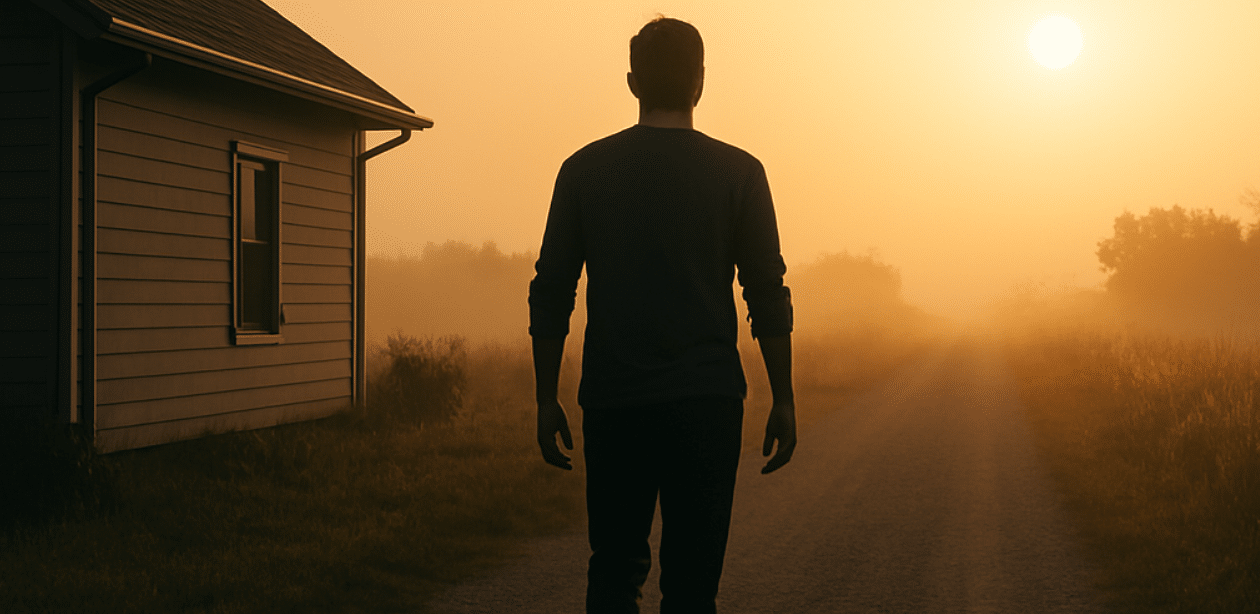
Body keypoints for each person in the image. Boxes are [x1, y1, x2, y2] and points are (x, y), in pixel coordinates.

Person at [529, 16, 796, 614]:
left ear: (632, 82)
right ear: (701, 81)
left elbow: (551, 291)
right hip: (706, 403)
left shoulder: (585, 170)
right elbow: (767, 292)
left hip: (615, 402)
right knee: (693, 584)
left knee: (615, 572)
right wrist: (784, 396)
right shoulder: (740, 173)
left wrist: (546, 397)